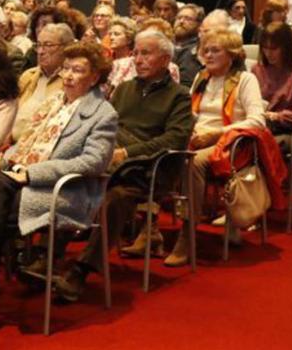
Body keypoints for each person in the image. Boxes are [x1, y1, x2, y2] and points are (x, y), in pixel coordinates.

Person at [0, 42, 118, 326]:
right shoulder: (53, 103)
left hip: (65, 189)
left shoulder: (103, 114)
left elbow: (92, 163)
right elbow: (25, 143)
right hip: (22, 177)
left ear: (94, 78)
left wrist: (33, 173)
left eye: (77, 70)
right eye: (66, 68)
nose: (67, 75)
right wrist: (7, 160)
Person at [55, 31, 194, 299]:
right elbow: (104, 123)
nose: (138, 59)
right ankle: (50, 254)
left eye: (146, 53)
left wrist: (127, 152)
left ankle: (81, 271)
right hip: (110, 159)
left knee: (114, 198)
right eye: (136, 53)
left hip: (149, 169)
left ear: (165, 59)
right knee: (70, 184)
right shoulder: (125, 88)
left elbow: (174, 139)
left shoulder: (179, 96)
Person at [175, 29, 267, 266]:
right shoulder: (201, 77)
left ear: (233, 54)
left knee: (192, 161)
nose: (207, 54)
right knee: (161, 154)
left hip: (230, 143)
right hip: (198, 137)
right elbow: (192, 113)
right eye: (205, 50)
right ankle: (149, 229)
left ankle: (187, 235)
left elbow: (258, 120)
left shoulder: (246, 80)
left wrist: (216, 134)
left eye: (215, 50)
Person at [252, 22, 292, 141]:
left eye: (274, 48)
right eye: (265, 48)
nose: (268, 53)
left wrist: (277, 116)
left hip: (286, 130)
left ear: (286, 47)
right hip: (258, 125)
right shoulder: (257, 69)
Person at [13, 22, 73, 142]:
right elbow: (12, 110)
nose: (40, 51)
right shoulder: (28, 76)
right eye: (38, 45)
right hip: (12, 143)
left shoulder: (70, 81)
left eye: (48, 45)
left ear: (66, 47)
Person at [173, 4, 204, 82]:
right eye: (179, 18)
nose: (181, 22)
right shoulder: (167, 43)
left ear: (199, 25)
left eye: (188, 19)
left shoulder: (195, 49)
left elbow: (186, 83)